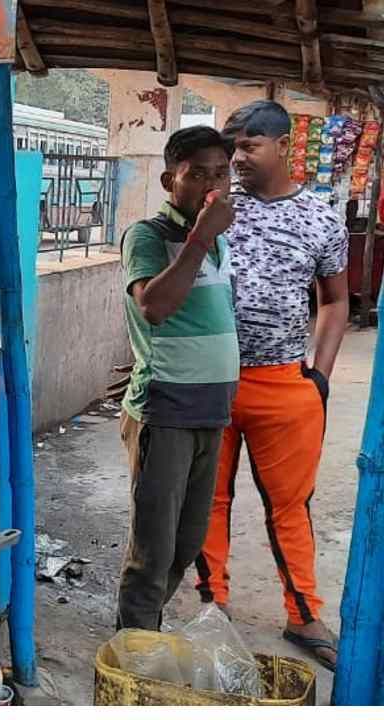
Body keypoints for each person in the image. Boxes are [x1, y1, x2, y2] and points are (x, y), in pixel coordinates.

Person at [195, 100, 350, 670]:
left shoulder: (321, 217)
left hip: (285, 384)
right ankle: (213, 605)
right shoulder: (218, 207)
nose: (236, 159)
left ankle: (303, 614)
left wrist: (321, 377)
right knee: (207, 499)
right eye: (231, 148)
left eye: (248, 147)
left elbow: (336, 300)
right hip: (211, 380)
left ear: (283, 146)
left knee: (290, 505)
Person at [115, 126, 239, 631]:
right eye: (197, 174)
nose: (212, 184)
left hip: (210, 412)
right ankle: (134, 648)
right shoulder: (149, 235)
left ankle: (145, 629)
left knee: (186, 544)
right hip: (164, 411)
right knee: (153, 547)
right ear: (171, 179)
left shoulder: (219, 242)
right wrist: (201, 234)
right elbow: (154, 306)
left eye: (221, 173)